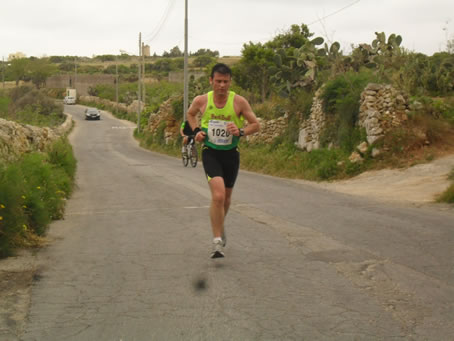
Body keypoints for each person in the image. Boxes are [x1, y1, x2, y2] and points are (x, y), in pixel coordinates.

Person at [187, 63, 260, 258]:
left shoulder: (239, 102)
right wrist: (196, 132)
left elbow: (256, 124)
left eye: (225, 82)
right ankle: (217, 241)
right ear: (211, 81)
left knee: (226, 198)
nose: (221, 86)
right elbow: (190, 114)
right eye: (218, 81)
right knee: (218, 196)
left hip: (231, 154)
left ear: (230, 82)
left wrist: (241, 131)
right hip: (211, 152)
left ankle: (219, 225)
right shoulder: (202, 100)